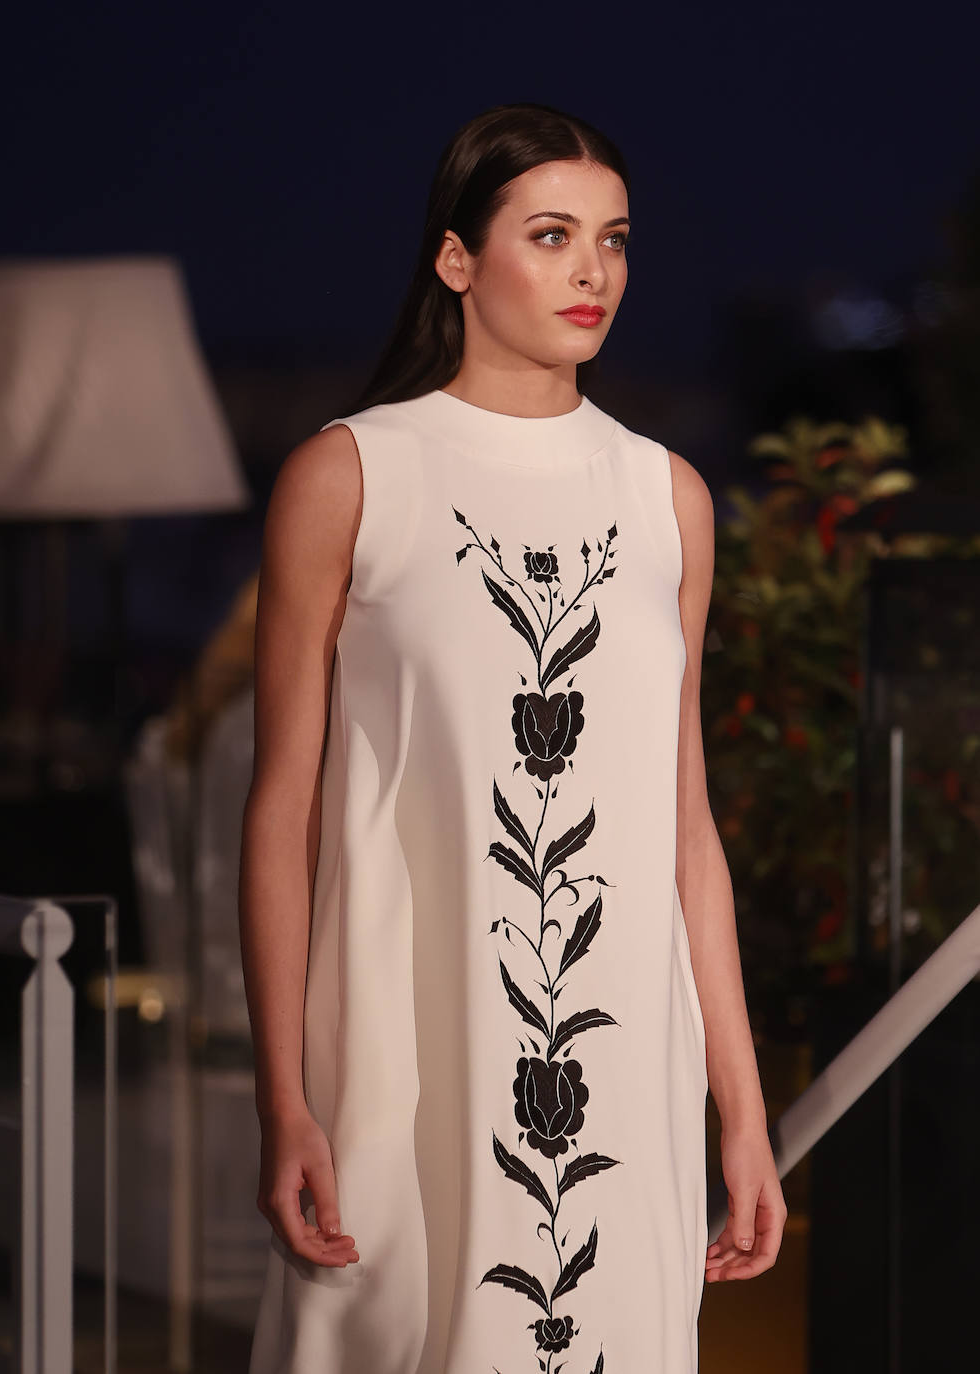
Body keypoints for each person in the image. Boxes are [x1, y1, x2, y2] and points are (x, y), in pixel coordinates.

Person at [240, 100, 787, 1374]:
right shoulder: (350, 475)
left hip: (625, 1071)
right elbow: (281, 811)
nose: (593, 270)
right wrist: (284, 1099)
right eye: (550, 235)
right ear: (455, 258)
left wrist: (741, 1109)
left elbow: (682, 829)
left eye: (614, 239)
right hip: (399, 1055)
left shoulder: (665, 498)